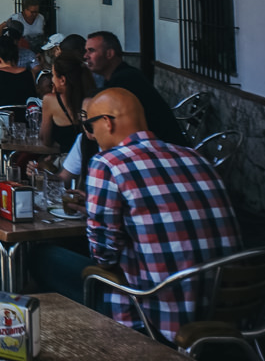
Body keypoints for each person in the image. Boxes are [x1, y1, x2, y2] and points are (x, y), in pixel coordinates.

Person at [30, 89, 239, 343]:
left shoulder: (108, 163)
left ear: (107, 122)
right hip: (227, 307)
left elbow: (104, 255)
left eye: (90, 125)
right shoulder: (194, 156)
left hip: (155, 314)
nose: (90, 134)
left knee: (42, 256)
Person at [84, 31, 188, 145]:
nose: (86, 56)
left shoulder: (126, 80)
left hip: (162, 151)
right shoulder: (118, 77)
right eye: (86, 51)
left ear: (109, 54)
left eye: (91, 51)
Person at [40, 56, 94, 153]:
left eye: (53, 75)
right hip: (90, 159)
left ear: (62, 80)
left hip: (67, 161)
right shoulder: (93, 99)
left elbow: (46, 140)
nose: (52, 79)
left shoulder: (50, 100)